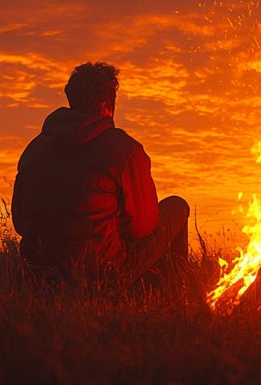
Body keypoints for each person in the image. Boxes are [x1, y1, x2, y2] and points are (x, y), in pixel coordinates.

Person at [11, 62, 189, 286]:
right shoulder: (123, 149)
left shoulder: (35, 148)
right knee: (177, 207)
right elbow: (143, 227)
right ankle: (169, 298)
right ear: (108, 104)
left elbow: (20, 221)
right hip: (102, 273)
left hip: (38, 272)